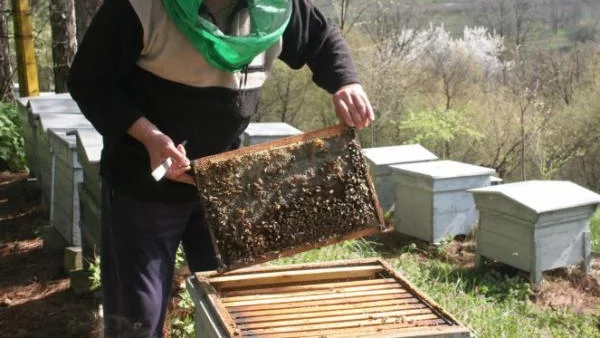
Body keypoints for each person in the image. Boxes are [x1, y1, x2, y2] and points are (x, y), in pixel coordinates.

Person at [68, 0, 374, 336]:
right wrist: (149, 136)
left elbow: (321, 36)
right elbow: (90, 81)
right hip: (142, 182)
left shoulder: (277, 7)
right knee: (137, 317)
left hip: (222, 181)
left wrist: (346, 82)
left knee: (232, 308)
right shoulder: (141, 7)